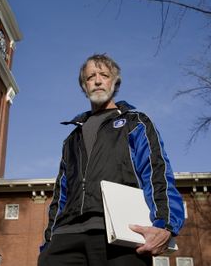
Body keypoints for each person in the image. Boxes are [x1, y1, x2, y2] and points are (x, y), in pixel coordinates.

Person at [38, 54, 185, 266]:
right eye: (90, 77)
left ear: (114, 82)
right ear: (84, 85)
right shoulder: (71, 139)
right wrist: (48, 242)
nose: (97, 80)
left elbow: (156, 173)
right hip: (66, 236)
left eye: (104, 75)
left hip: (120, 234)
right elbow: (61, 194)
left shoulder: (136, 123)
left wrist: (166, 225)